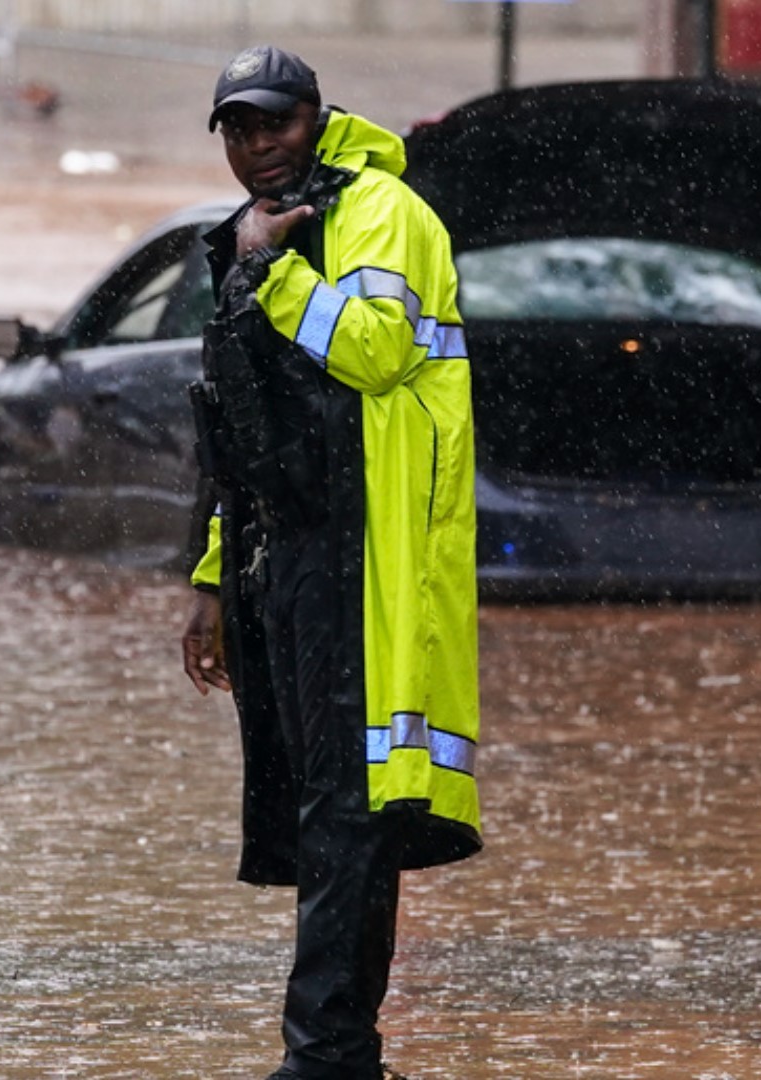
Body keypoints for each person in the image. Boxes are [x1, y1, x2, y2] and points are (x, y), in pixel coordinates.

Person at [178, 45, 481, 1080]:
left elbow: (376, 352)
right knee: (318, 810)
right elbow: (241, 430)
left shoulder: (382, 211)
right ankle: (337, 1052)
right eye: (237, 131)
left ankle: (328, 1056)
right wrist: (216, 581)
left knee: (348, 811)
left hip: (368, 555)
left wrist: (271, 271)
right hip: (288, 555)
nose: (258, 148)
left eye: (275, 124)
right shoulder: (250, 239)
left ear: (316, 116)